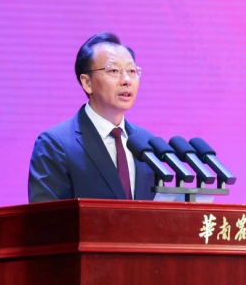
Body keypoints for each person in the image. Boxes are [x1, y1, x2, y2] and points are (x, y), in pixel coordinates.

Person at [28, 32, 157, 202]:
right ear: (87, 83)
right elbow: (46, 214)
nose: (127, 80)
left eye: (132, 71)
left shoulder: (147, 143)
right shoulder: (55, 144)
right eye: (114, 71)